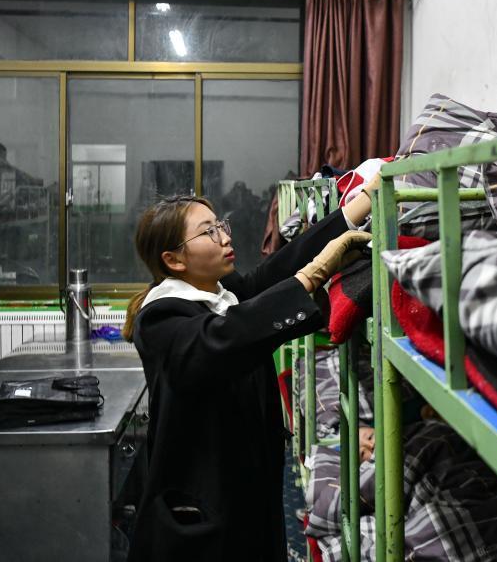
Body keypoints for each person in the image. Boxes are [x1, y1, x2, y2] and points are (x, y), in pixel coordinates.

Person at [123, 177, 377, 562]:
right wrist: (312, 276)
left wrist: (359, 206)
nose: (225, 237)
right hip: (203, 511)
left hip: (245, 490)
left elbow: (272, 274)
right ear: (174, 260)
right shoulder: (160, 319)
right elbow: (222, 338)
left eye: (221, 225)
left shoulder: (220, 294)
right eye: (208, 232)